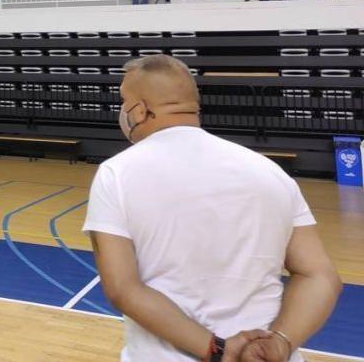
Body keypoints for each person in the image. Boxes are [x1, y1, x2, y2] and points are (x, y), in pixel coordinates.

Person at [83, 55, 342, 362]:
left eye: (123, 101)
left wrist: (217, 349)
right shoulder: (269, 172)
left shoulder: (116, 174)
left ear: (138, 110)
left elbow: (122, 288)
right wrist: (281, 343)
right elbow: (319, 276)